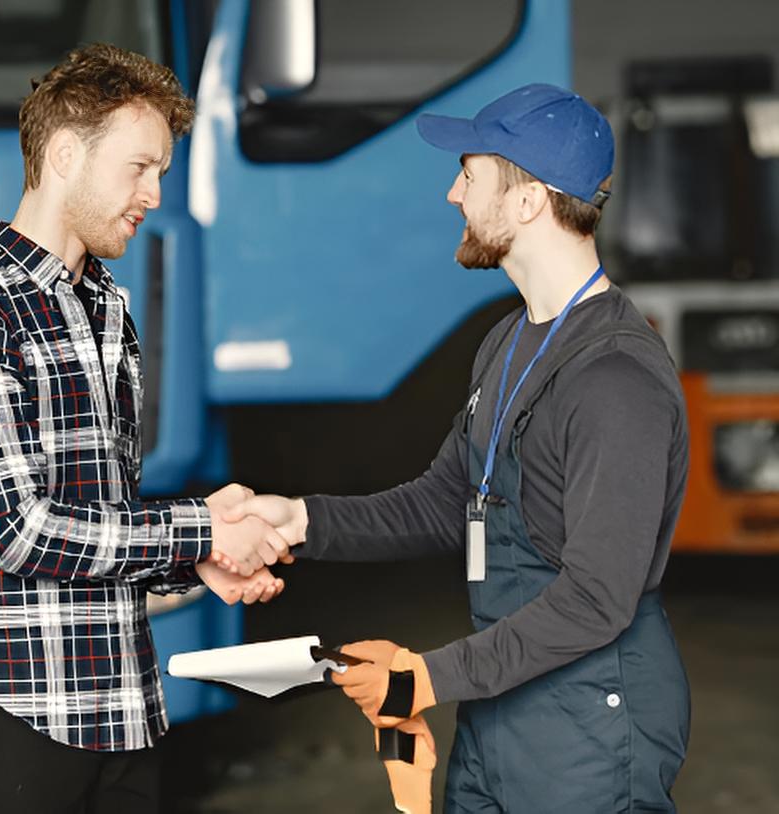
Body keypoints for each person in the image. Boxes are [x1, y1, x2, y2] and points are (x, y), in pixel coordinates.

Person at [223, 84, 691, 813]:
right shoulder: (508, 343)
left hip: (592, 729)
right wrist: (301, 521)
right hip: (500, 701)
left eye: (470, 175)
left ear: (530, 200)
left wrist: (420, 681)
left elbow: (599, 598)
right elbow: (450, 500)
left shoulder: (614, 381)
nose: (451, 193)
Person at [0, 43, 287, 814]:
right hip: (17, 714)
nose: (152, 194)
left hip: (124, 707)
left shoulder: (103, 304)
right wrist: (201, 532)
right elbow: (23, 531)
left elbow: (96, 515)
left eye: (162, 175)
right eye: (139, 168)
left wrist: (190, 567)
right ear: (67, 154)